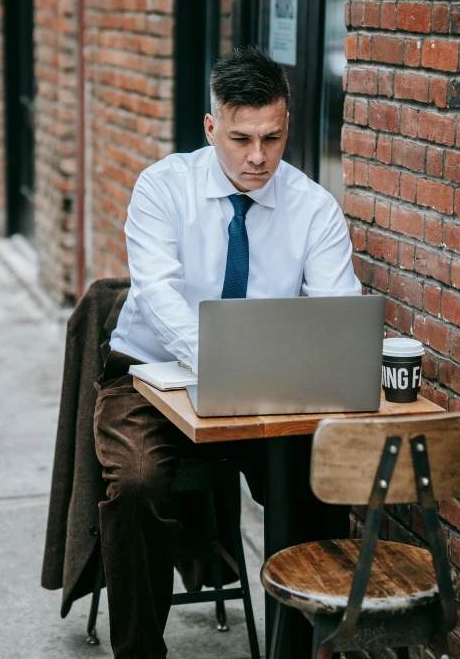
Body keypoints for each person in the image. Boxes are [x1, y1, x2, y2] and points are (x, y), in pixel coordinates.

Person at [94, 46, 361, 659]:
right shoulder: (162, 188)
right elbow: (159, 298)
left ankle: (302, 649)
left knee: (320, 479)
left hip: (269, 388)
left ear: (286, 124)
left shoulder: (314, 208)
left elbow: (336, 315)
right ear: (211, 127)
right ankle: (138, 652)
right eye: (240, 138)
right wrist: (217, 359)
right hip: (147, 377)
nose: (258, 157)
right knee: (136, 483)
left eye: (272, 137)